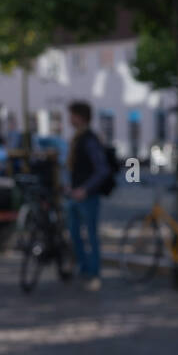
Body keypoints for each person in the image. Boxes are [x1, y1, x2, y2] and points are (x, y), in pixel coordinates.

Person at [66, 101, 112, 291]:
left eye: (72, 115)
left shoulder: (89, 139)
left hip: (87, 196)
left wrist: (85, 189)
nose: (69, 119)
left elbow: (102, 170)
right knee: (75, 234)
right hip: (75, 194)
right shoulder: (78, 138)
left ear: (80, 116)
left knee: (91, 235)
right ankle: (84, 269)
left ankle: (94, 272)